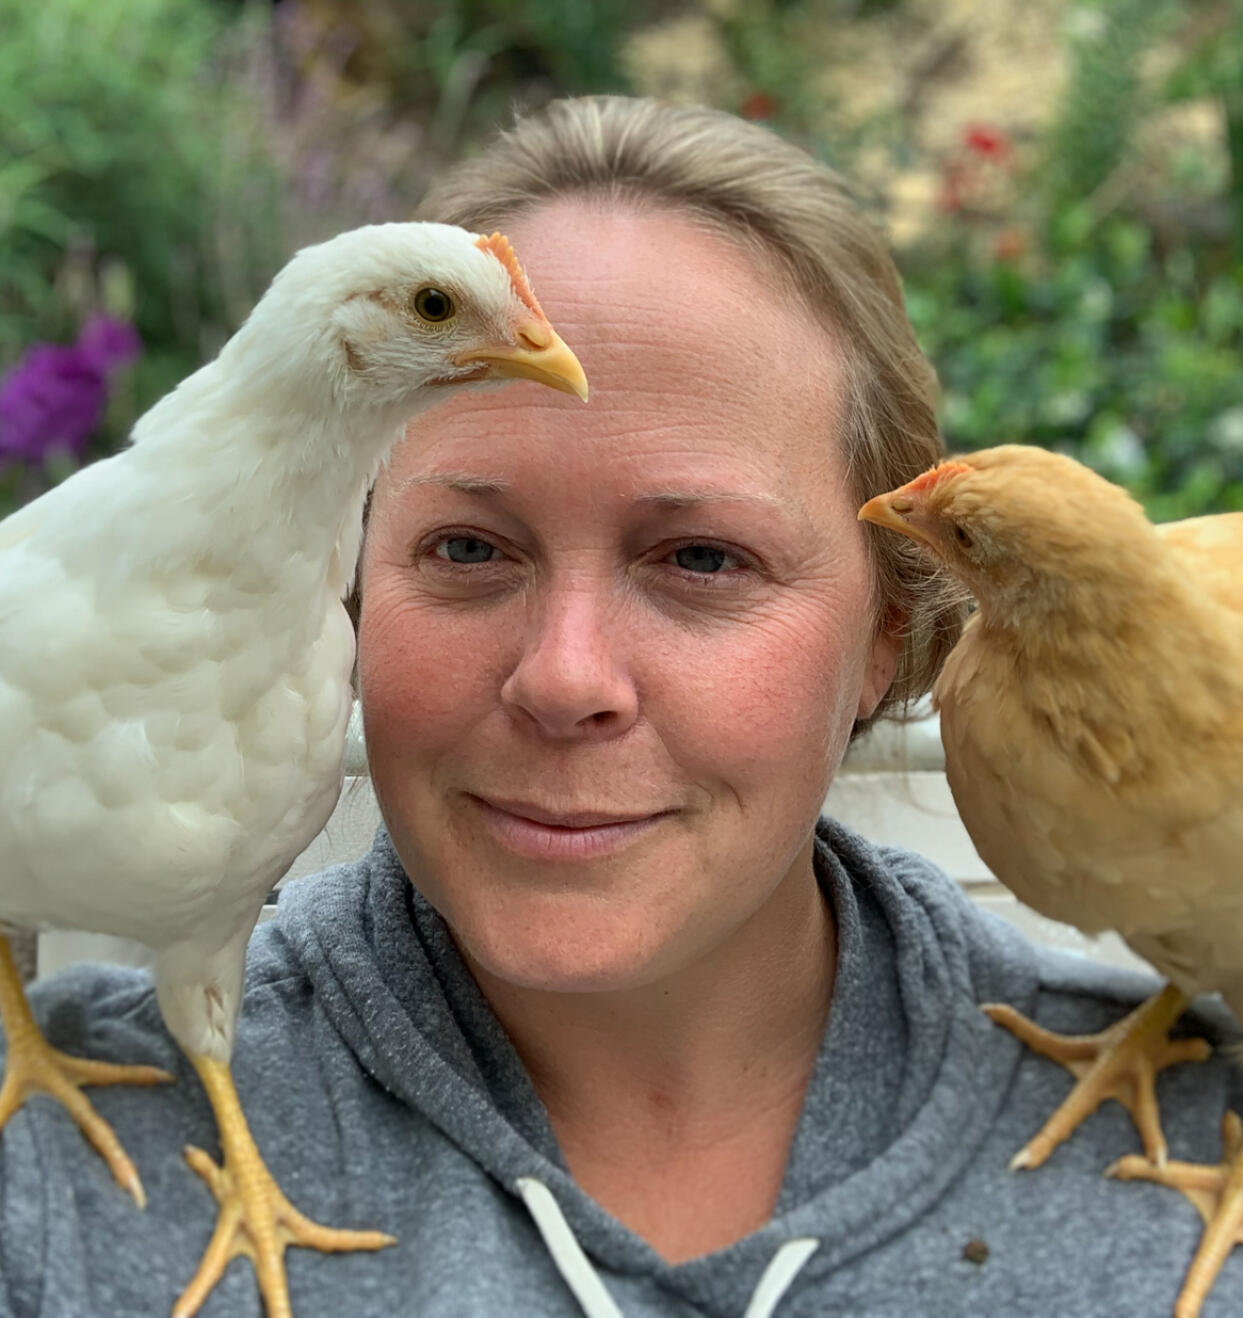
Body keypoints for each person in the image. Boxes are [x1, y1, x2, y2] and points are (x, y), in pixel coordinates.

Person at [2, 95, 1241, 1318]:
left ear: (889, 637)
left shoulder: (1199, 1168)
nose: (565, 679)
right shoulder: (54, 1174)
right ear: (353, 590)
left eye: (701, 560)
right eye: (470, 551)